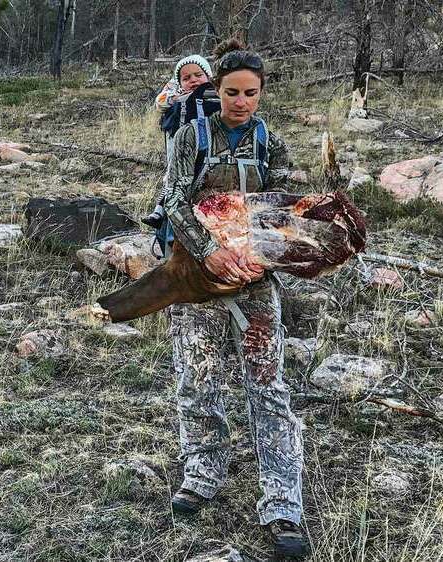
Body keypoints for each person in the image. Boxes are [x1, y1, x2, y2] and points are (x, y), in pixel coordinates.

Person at [163, 39, 309, 558]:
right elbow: (173, 201)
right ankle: (202, 473)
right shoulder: (189, 136)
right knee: (197, 377)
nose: (240, 102)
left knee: (268, 385)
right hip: (198, 278)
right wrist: (210, 252)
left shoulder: (273, 143)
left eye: (250, 93)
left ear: (262, 93)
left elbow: (289, 210)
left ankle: (283, 503)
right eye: (231, 92)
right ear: (216, 90)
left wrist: (261, 256)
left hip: (256, 279)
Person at [143, 55, 214, 230]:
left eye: (198, 75)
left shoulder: (216, 91)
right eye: (187, 78)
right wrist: (176, 96)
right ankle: (161, 210)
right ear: (179, 81)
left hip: (208, 146)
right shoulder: (176, 93)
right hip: (180, 143)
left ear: (208, 75)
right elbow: (159, 102)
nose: (193, 80)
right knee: (172, 176)